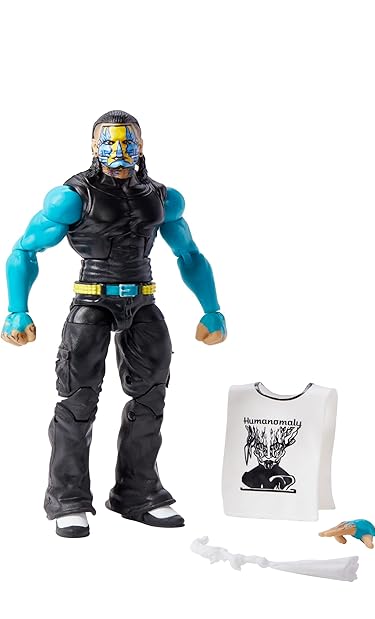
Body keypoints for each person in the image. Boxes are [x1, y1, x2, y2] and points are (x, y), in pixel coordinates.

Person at [2, 110, 226, 538]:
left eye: (128, 143)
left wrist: (211, 309)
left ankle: (138, 493)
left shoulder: (162, 198)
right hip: (92, 300)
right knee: (78, 399)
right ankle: (67, 499)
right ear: (94, 147)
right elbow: (24, 250)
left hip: (143, 300)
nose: (119, 151)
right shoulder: (71, 198)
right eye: (110, 143)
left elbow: (190, 255)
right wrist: (17, 309)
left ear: (141, 146)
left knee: (151, 398)